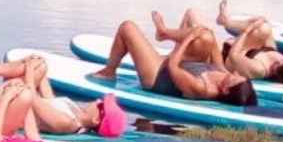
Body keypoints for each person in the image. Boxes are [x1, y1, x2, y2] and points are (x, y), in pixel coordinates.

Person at [88, 15, 259, 106]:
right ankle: (165, 33)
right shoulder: (224, 76)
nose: (234, 72)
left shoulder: (200, 88)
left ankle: (109, 71)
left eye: (235, 77)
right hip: (176, 63)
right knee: (206, 37)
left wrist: (189, 38)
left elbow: (172, 66)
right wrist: (209, 36)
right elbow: (216, 55)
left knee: (127, 27)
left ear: (226, 89)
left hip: (158, 75)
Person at [208, 2, 283, 85]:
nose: (278, 61)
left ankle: (224, 22)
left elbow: (233, 55)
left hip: (222, 53)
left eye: (277, 65)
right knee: (263, 27)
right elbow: (268, 34)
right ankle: (226, 21)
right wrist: (261, 22)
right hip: (240, 45)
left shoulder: (260, 69)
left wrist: (248, 31)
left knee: (193, 13)